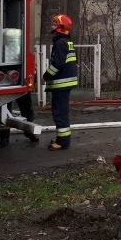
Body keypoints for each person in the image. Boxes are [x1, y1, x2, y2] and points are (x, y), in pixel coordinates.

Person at [43, 14, 78, 150]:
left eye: (54, 24)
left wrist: (45, 77)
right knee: (60, 112)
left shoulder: (60, 43)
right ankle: (61, 138)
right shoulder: (65, 42)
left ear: (60, 27)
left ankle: (63, 141)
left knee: (60, 113)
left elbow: (57, 64)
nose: (52, 25)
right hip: (63, 84)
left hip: (61, 84)